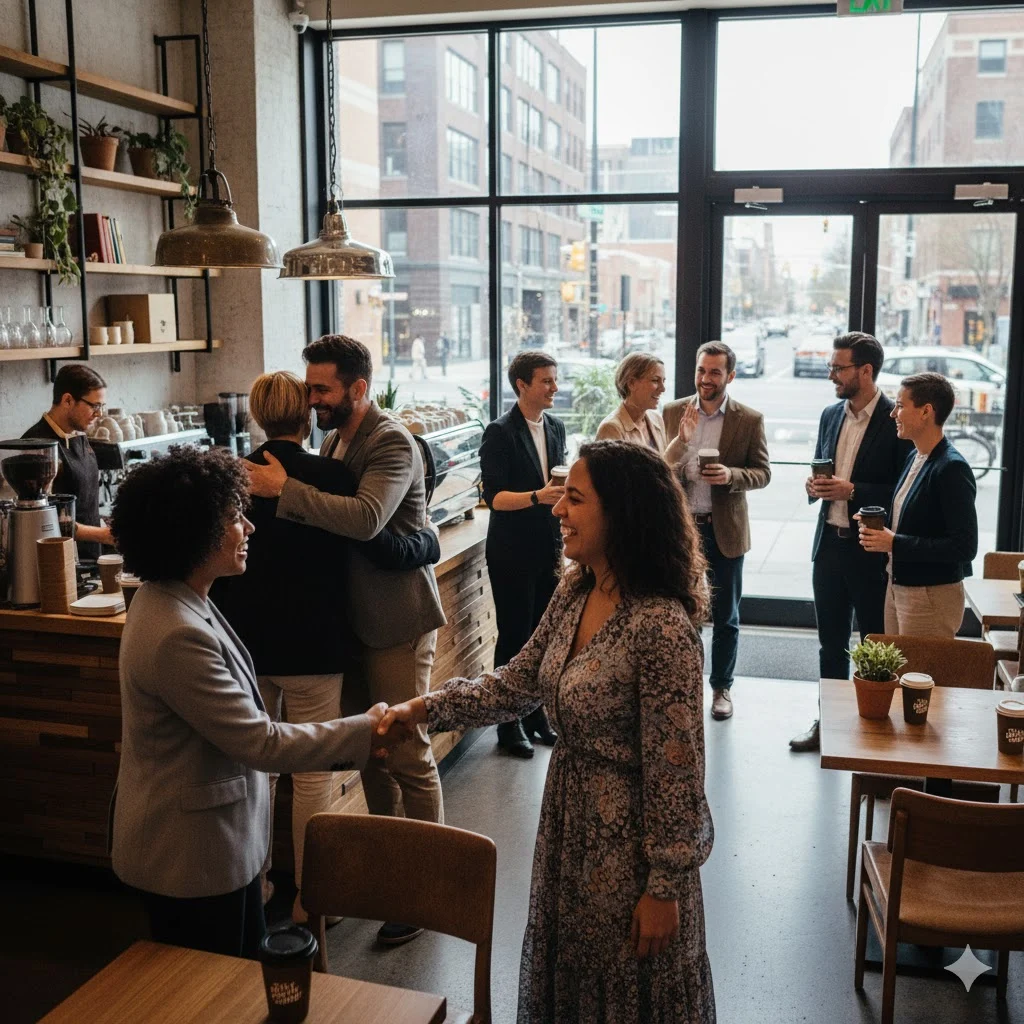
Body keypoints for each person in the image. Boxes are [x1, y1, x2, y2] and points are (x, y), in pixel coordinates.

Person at [378, 441, 716, 1024]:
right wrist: (425, 709)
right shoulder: (577, 589)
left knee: (627, 992)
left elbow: (677, 774)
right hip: (569, 825)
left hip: (630, 850)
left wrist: (664, 888)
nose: (558, 507)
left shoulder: (660, 627)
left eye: (576, 498)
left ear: (623, 513)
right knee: (575, 979)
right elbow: (517, 684)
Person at [109, 445, 396, 959]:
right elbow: (260, 742)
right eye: (235, 517)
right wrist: (365, 730)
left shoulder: (175, 598)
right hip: (190, 859)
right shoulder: (176, 632)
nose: (250, 527)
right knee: (216, 999)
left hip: (212, 846)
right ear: (194, 533)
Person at [209, 371, 439, 923]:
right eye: (310, 394)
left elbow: (369, 525)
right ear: (305, 414)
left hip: (249, 644)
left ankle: (259, 886)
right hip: (316, 641)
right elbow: (362, 536)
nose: (317, 402)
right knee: (317, 771)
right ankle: (315, 899)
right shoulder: (332, 466)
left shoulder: (232, 476)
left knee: (258, 768)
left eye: (323, 389)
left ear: (256, 416)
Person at [790, 333, 913, 753]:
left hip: (868, 550)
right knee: (830, 642)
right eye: (832, 367)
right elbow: (824, 466)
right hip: (828, 545)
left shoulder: (896, 419)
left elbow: (901, 490)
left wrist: (853, 490)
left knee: (875, 643)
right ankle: (828, 723)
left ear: (865, 371)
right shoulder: (830, 414)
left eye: (838, 368)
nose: (831, 375)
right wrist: (815, 485)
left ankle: (874, 730)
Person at [663, 341, 770, 721]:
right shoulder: (674, 412)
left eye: (714, 372)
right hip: (682, 531)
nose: (705, 379)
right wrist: (681, 446)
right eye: (701, 371)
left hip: (724, 530)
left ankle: (721, 688)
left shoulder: (749, 419)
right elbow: (659, 470)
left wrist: (731, 475)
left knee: (726, 615)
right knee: (679, 615)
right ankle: (682, 685)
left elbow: (763, 473)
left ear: (731, 376)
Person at [479, 351, 566, 759]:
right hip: (511, 550)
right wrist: (538, 496)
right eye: (546, 381)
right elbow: (493, 497)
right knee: (513, 637)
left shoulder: (556, 426)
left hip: (548, 547)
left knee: (541, 639)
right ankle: (507, 723)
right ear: (522, 386)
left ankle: (535, 714)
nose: (554, 387)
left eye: (554, 380)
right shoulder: (499, 432)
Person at [858, 372, 977, 637]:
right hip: (898, 585)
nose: (893, 414)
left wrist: (894, 543)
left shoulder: (952, 468)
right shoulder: (916, 455)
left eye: (900, 406)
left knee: (922, 676)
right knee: (898, 675)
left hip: (929, 595)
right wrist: (880, 526)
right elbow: (917, 518)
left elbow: (964, 547)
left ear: (926, 412)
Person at [22, 363, 114, 560]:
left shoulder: (78, 435)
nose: (98, 414)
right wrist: (104, 536)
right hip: (60, 562)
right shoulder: (38, 446)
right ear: (67, 400)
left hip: (90, 557)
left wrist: (106, 525)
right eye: (94, 406)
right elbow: (46, 519)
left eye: (101, 407)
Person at [596, 352, 668, 452]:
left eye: (663, 381)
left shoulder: (657, 420)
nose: (663, 388)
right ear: (631, 383)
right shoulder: (611, 428)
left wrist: (681, 441)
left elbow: (664, 464)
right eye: (655, 380)